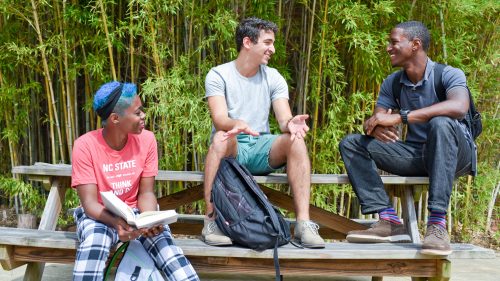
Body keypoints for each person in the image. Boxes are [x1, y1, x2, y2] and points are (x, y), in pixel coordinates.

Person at [339, 21, 475, 255]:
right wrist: (373, 126)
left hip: (456, 154)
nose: (388, 48)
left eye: (393, 42)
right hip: (417, 155)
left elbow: (460, 106)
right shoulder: (392, 82)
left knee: (440, 123)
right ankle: (388, 219)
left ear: (415, 45)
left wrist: (401, 118)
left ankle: (437, 224)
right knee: (352, 143)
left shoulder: (448, 74)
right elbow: (377, 118)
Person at [201, 17, 325, 249]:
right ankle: (211, 220)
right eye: (267, 42)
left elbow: (283, 119)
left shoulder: (274, 77)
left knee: (295, 140)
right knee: (219, 138)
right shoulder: (218, 74)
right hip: (232, 146)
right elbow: (219, 119)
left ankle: (303, 224)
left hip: (261, 145)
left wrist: (292, 123)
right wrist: (236, 124)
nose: (273, 49)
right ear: (248, 42)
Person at [71, 81, 199, 280]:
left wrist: (150, 219)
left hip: (136, 213)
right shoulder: (84, 145)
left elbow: (146, 193)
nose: (144, 116)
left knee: (168, 251)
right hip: (100, 215)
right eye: (137, 113)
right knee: (94, 243)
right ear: (115, 118)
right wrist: (116, 223)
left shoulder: (147, 140)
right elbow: (89, 203)